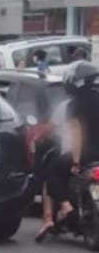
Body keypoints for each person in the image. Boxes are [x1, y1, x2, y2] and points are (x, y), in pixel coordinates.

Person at [42, 61, 99, 239]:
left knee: (52, 171)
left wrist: (75, 161)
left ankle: (67, 207)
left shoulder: (73, 105)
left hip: (87, 153)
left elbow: (76, 134)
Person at [36, 86, 74, 242]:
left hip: (71, 153)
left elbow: (50, 128)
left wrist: (38, 136)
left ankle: (49, 218)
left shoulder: (67, 106)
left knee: (49, 176)